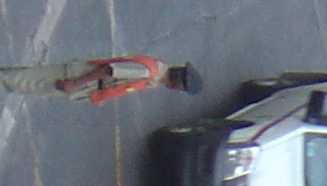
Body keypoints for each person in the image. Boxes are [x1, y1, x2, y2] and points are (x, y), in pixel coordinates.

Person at [0, 56, 199, 101]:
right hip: (74, 77)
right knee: (21, 81)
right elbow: (108, 71)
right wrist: (75, 84)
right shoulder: (147, 72)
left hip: (81, 80)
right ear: (176, 85)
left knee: (21, 78)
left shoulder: (155, 72)